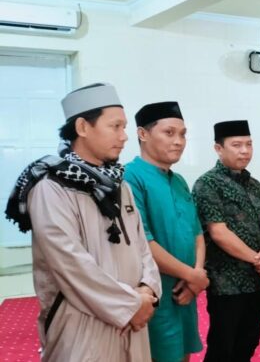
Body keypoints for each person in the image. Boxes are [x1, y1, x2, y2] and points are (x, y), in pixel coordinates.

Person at [5, 83, 161, 361]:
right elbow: (70, 265)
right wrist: (130, 305)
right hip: (82, 322)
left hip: (134, 316)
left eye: (124, 127)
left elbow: (141, 247)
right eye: (115, 126)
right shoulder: (52, 188)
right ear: (82, 127)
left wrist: (147, 290)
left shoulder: (119, 184)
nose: (124, 136)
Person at [124, 101, 209, 362]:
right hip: (155, 293)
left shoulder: (179, 180)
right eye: (169, 133)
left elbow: (197, 233)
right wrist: (193, 276)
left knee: (184, 354)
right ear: (143, 134)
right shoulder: (130, 177)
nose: (179, 141)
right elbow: (142, 241)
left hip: (186, 291)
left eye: (182, 134)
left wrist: (196, 274)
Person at [193, 120, 260, 362]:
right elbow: (218, 233)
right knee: (222, 349)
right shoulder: (207, 184)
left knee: (248, 344)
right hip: (227, 284)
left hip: (258, 281)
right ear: (218, 149)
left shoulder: (255, 185)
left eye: (249, 144)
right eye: (237, 145)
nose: (245, 151)